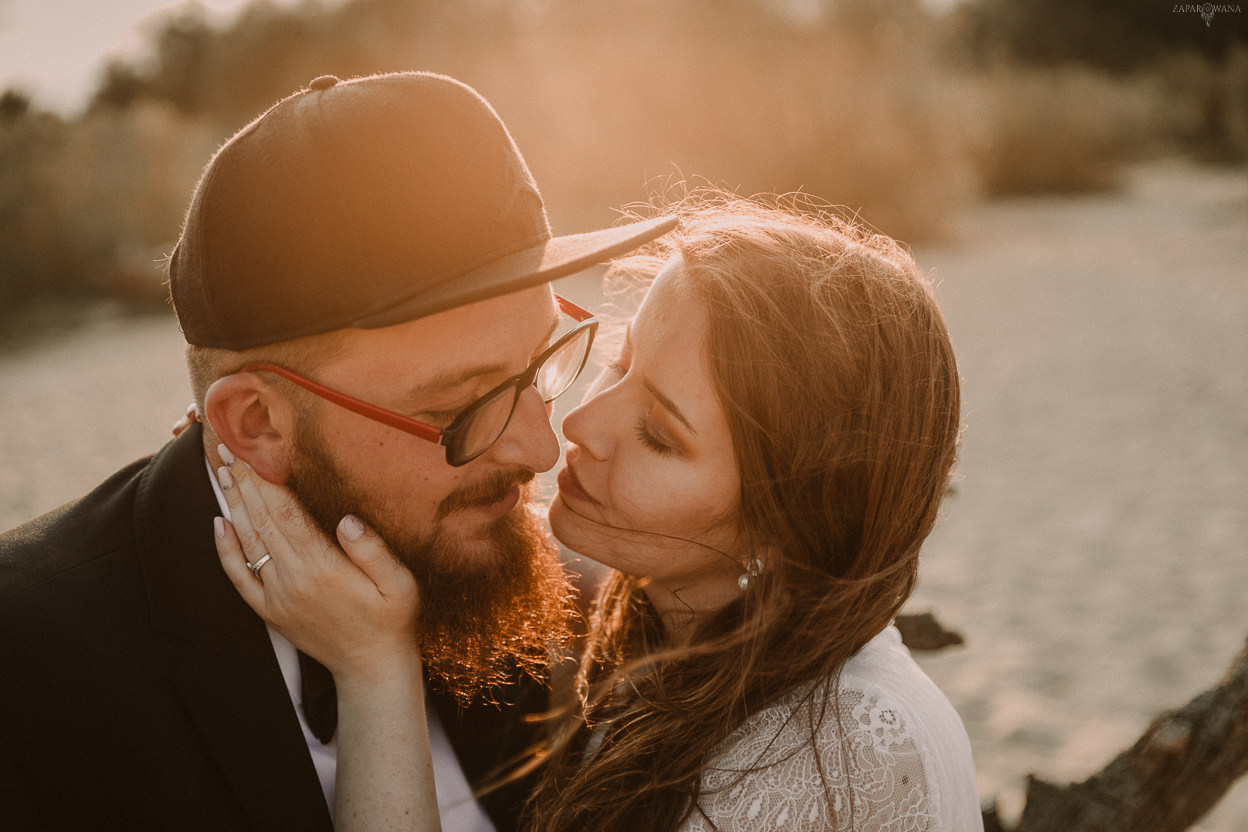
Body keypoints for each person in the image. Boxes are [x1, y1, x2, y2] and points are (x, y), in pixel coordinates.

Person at [0, 71, 674, 831]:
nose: (542, 448)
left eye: (539, 365)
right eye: (462, 404)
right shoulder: (24, 681)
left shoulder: (539, 574)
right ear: (255, 423)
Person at [211, 193, 984, 830]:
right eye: (618, 361)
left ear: (784, 529)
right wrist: (287, 428)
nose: (576, 428)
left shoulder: (848, 752)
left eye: (656, 435)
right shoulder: (673, 644)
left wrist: (373, 668)